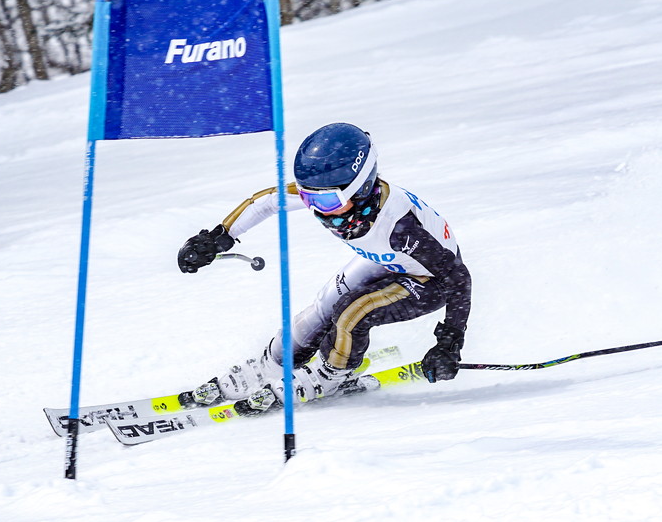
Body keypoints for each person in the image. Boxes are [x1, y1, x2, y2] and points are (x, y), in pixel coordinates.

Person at [177, 122, 471, 410]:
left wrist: (449, 344)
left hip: (429, 279)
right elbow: (266, 201)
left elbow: (458, 278)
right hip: (385, 260)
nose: (317, 208)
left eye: (328, 201)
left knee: (353, 311)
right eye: (307, 196)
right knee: (323, 308)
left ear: (360, 189)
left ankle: (331, 375)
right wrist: (217, 239)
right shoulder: (330, 191)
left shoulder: (400, 226)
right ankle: (273, 364)